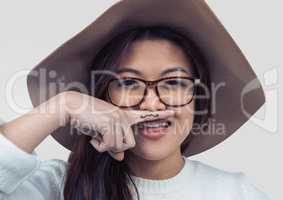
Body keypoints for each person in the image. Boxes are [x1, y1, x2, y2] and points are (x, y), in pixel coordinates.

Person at [0, 1, 271, 200]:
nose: (152, 105)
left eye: (174, 83)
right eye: (129, 83)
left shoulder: (237, 193)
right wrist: (64, 105)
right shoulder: (54, 187)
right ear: (101, 97)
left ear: (198, 99)